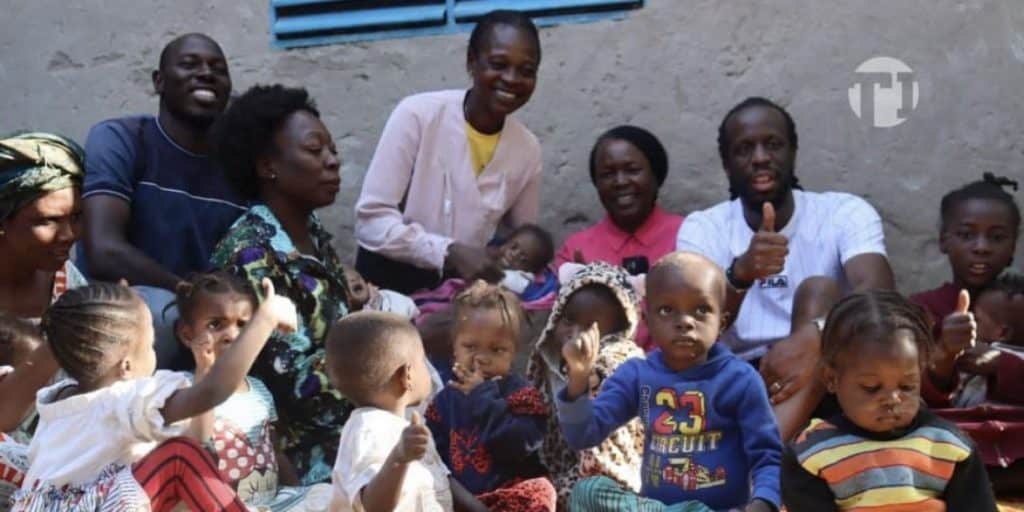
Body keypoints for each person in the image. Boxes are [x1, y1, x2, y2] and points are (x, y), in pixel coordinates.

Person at [676, 97, 894, 440]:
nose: (760, 157)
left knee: (819, 290)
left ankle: (767, 456)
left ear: (793, 151)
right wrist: (740, 274)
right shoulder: (703, 228)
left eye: (773, 144)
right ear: (727, 163)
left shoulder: (844, 212)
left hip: (831, 368)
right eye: (744, 149)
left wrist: (816, 334)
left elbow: (880, 295)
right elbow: (692, 330)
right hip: (740, 376)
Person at [12, 279, 297, 511]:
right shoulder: (124, 400)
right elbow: (212, 393)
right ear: (125, 365)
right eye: (151, 345)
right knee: (181, 457)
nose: (155, 353)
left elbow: (198, 433)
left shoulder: (58, 401)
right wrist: (266, 318)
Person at [558, 252, 781, 512]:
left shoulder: (739, 380)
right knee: (588, 491)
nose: (685, 322)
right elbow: (584, 434)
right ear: (647, 321)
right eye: (667, 310)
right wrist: (578, 380)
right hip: (655, 508)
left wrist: (762, 504)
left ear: (721, 322)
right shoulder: (638, 375)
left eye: (701, 310)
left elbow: (768, 456)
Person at [210, 84, 351, 485]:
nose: (332, 162)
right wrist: (381, 358)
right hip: (306, 452)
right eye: (314, 150)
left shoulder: (312, 230)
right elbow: (297, 386)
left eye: (332, 150)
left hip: (356, 415)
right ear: (267, 165)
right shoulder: (250, 255)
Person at [79, 33, 246, 366]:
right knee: (160, 315)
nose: (205, 73)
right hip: (133, 308)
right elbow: (103, 250)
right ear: (160, 81)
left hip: (213, 317)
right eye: (188, 64)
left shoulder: (239, 165)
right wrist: (186, 291)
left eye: (218, 68)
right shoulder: (124, 139)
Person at [355, 10, 543, 294]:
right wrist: (448, 251)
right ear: (471, 62)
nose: (512, 79)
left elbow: (523, 237)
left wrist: (508, 259)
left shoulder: (526, 149)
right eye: (498, 64)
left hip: (459, 293)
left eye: (526, 71)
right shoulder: (417, 116)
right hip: (386, 283)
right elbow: (371, 222)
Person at [781, 291, 997, 511]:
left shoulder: (950, 446)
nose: (893, 399)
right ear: (831, 379)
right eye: (871, 388)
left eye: (907, 386)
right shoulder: (811, 455)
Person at [174, 272, 331, 510]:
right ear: (187, 335)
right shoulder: (183, 387)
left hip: (269, 504)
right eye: (215, 324)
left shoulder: (259, 390)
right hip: (219, 506)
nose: (232, 335)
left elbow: (276, 453)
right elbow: (197, 443)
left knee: (325, 496)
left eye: (242, 325)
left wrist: (298, 494)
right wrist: (203, 375)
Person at [326, 311, 487, 512]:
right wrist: (399, 458)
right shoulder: (367, 430)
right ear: (407, 375)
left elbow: (442, 479)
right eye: (423, 360)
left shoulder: (405, 424)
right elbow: (373, 507)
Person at [425, 281, 556, 511]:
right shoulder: (443, 402)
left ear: (512, 352)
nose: (482, 358)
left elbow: (519, 445)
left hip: (510, 496)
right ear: (454, 348)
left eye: (496, 350)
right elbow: (435, 459)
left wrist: (482, 395)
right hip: (465, 502)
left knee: (542, 494)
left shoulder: (521, 394)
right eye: (471, 347)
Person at [526, 262, 645, 508]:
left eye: (591, 327)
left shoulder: (619, 362)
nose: (575, 333)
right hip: (564, 477)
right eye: (569, 319)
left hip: (616, 486)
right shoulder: (551, 361)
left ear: (618, 329)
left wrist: (582, 375)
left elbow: (599, 454)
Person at [555, 125, 684, 272]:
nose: (620, 182)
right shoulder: (575, 251)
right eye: (608, 174)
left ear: (656, 174)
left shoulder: (689, 237)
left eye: (632, 170)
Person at [0, 132, 87, 319]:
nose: (69, 234)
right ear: (3, 220)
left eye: (76, 216)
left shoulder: (66, 285)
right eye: (48, 220)